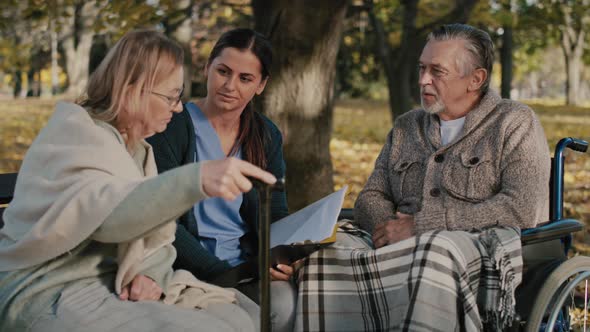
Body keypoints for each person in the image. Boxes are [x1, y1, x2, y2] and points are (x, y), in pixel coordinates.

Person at [0, 29, 275, 332]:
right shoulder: (77, 136)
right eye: (171, 97)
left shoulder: (138, 150)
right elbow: (108, 216)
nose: (178, 107)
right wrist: (196, 179)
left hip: (110, 280)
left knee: (238, 318)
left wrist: (152, 273)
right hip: (48, 288)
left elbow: (158, 237)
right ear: (134, 90)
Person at [294, 24, 550, 331]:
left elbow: (519, 207)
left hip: (479, 251)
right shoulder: (406, 127)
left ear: (475, 79)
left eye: (436, 71)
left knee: (433, 252)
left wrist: (421, 227)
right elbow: (371, 196)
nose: (422, 80)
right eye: (421, 68)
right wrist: (388, 231)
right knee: (322, 254)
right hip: (400, 249)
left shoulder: (514, 122)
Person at [147, 28, 296, 332]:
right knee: (247, 321)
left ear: (261, 85)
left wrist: (277, 256)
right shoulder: (172, 126)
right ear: (207, 68)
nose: (230, 86)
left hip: (246, 265)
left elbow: (275, 212)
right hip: (184, 267)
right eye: (223, 72)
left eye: (245, 78)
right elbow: (162, 220)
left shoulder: (266, 134)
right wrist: (219, 273)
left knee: (285, 307)